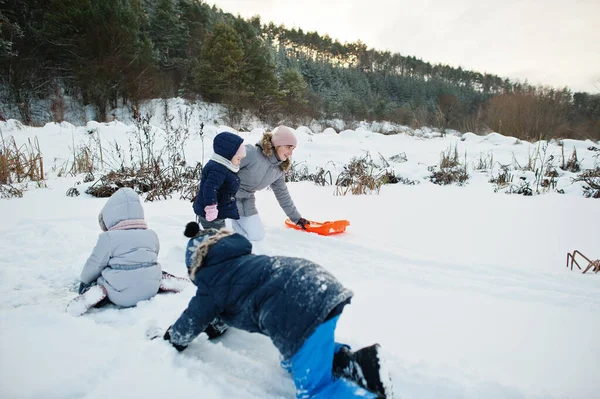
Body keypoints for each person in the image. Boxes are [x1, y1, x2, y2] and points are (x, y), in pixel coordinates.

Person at [158, 222, 391, 398]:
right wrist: (216, 326)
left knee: (315, 389)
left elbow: (193, 319)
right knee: (294, 359)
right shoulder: (242, 263)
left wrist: (173, 339)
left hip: (298, 307)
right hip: (319, 284)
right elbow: (227, 306)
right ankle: (360, 364)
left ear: (197, 265)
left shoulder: (211, 282)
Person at [66, 188, 187, 316]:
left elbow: (94, 264)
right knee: (151, 268)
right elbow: (153, 256)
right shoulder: (151, 235)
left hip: (120, 293)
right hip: (150, 289)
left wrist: (85, 281)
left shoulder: (108, 238)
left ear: (110, 215)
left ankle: (97, 291)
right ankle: (161, 280)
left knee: (103, 277)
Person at [234, 125, 309, 241]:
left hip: (247, 201)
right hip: (226, 199)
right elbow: (222, 165)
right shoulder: (252, 153)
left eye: (292, 149)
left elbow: (282, 195)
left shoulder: (278, 169)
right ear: (277, 144)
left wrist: (297, 218)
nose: (290, 153)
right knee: (228, 235)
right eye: (288, 147)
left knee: (257, 236)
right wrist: (209, 192)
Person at [193, 131, 246, 230]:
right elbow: (209, 188)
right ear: (228, 156)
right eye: (238, 159)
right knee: (216, 238)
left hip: (217, 212)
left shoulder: (224, 167)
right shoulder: (218, 169)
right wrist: (211, 208)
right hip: (210, 214)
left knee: (217, 235)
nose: (240, 162)